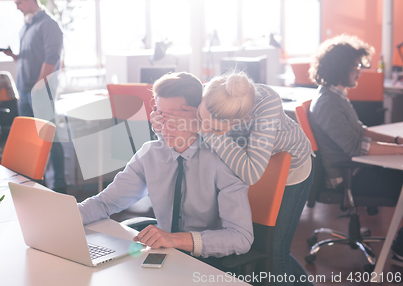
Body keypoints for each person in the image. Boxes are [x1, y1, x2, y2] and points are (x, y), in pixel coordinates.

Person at [151, 72, 314, 285]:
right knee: (261, 244)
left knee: (275, 249)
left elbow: (251, 172)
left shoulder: (267, 105)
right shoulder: (216, 93)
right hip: (244, 161)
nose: (205, 128)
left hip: (290, 168)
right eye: (201, 117)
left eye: (216, 129)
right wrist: (163, 127)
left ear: (241, 121)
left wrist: (204, 129)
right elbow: (187, 143)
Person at [78, 72, 253, 262]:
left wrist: (175, 239)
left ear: (198, 115)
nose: (165, 125)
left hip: (205, 261)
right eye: (160, 115)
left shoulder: (222, 162)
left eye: (174, 117)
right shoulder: (150, 154)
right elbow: (105, 203)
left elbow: (241, 237)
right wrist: (63, 218)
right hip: (164, 256)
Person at [308, 34, 403, 258]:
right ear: (342, 68)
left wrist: (397, 141)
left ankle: (399, 244)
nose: (360, 71)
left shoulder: (336, 96)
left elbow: (361, 130)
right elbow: (354, 146)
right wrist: (400, 151)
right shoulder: (328, 103)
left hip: (355, 168)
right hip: (346, 177)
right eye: (356, 66)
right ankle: (400, 248)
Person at [0, 0, 66, 193]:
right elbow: (29, 57)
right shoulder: (26, 26)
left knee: (49, 139)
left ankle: (59, 187)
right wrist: (14, 56)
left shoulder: (49, 25)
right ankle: (35, 186)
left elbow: (51, 59)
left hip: (40, 92)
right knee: (30, 140)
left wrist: (38, 87)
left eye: (19, 2)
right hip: (25, 91)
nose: (17, 7)